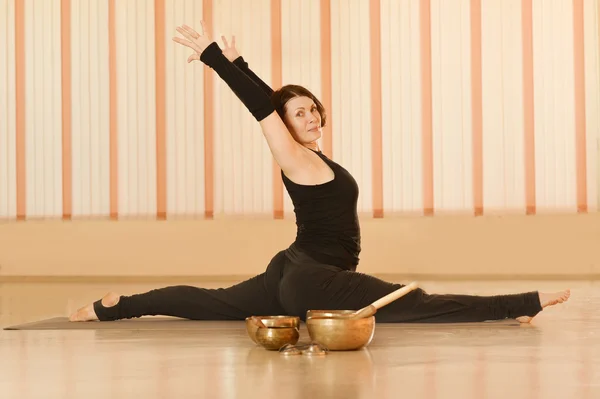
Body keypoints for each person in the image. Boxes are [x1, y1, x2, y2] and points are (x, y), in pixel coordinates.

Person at [70, 22, 570, 324]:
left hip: (290, 271)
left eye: (313, 109)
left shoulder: (313, 157)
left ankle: (114, 306)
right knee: (414, 302)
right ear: (287, 128)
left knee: (214, 302)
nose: (308, 117)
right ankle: (521, 304)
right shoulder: (294, 158)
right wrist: (216, 59)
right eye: (299, 114)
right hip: (313, 281)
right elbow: (265, 113)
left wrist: (243, 61)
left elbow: (275, 105)